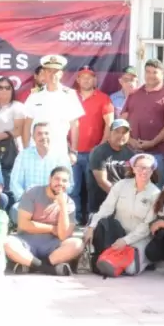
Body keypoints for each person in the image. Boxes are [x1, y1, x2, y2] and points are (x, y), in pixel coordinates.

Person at [84, 153, 161, 276]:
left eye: (148, 168)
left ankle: (146, 260)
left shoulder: (156, 194)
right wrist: (91, 226)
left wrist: (125, 241)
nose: (143, 171)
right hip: (117, 233)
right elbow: (106, 208)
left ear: (152, 171)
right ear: (133, 168)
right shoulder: (121, 185)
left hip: (139, 237)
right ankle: (106, 260)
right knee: (94, 228)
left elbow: (147, 226)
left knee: (130, 269)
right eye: (140, 167)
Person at [4, 166, 82, 276]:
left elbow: (63, 235)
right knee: (7, 242)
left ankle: (31, 266)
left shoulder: (69, 203)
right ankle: (47, 268)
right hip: (27, 241)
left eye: (64, 181)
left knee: (77, 244)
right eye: (57, 179)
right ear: (50, 179)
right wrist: (52, 229)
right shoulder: (32, 192)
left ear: (69, 184)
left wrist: (63, 206)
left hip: (52, 245)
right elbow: (24, 224)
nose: (60, 183)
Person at [121, 59, 164, 183]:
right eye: (148, 72)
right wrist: (130, 140)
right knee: (133, 188)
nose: (151, 75)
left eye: (155, 72)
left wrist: (152, 142)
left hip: (157, 154)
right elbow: (123, 120)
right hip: (132, 152)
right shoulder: (134, 93)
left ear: (162, 74)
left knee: (155, 190)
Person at [72, 66, 113, 225]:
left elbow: (109, 124)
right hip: (72, 152)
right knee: (72, 188)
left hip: (93, 152)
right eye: (83, 77)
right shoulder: (70, 97)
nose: (86, 80)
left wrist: (100, 148)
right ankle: (73, 219)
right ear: (78, 79)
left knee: (93, 188)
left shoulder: (104, 98)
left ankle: (92, 220)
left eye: (89, 77)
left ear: (95, 80)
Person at [23, 55, 85, 158]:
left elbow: (74, 125)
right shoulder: (34, 95)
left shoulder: (69, 95)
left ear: (61, 74)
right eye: (49, 71)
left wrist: (73, 151)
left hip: (59, 150)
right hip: (36, 151)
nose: (52, 75)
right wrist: (26, 149)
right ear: (44, 73)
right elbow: (27, 124)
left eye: (56, 71)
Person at [8, 122, 71, 212]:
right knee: (15, 210)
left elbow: (70, 184)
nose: (43, 136)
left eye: (46, 133)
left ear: (52, 136)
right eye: (39, 134)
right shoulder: (23, 155)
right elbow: (15, 182)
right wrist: (27, 200)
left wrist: (55, 198)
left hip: (54, 201)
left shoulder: (62, 157)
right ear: (33, 137)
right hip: (29, 201)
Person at [0, 76, 26, 186]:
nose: (4, 90)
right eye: (0, 87)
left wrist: (0, 136)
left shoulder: (17, 107)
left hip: (9, 150)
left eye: (7, 88)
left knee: (6, 182)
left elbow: (19, 130)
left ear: (12, 90)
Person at [87, 119, 135, 213]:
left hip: (122, 206)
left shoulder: (130, 154)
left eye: (124, 132)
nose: (121, 135)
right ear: (110, 133)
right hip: (100, 206)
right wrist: (121, 198)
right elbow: (102, 182)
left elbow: (131, 180)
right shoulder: (99, 152)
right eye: (117, 131)